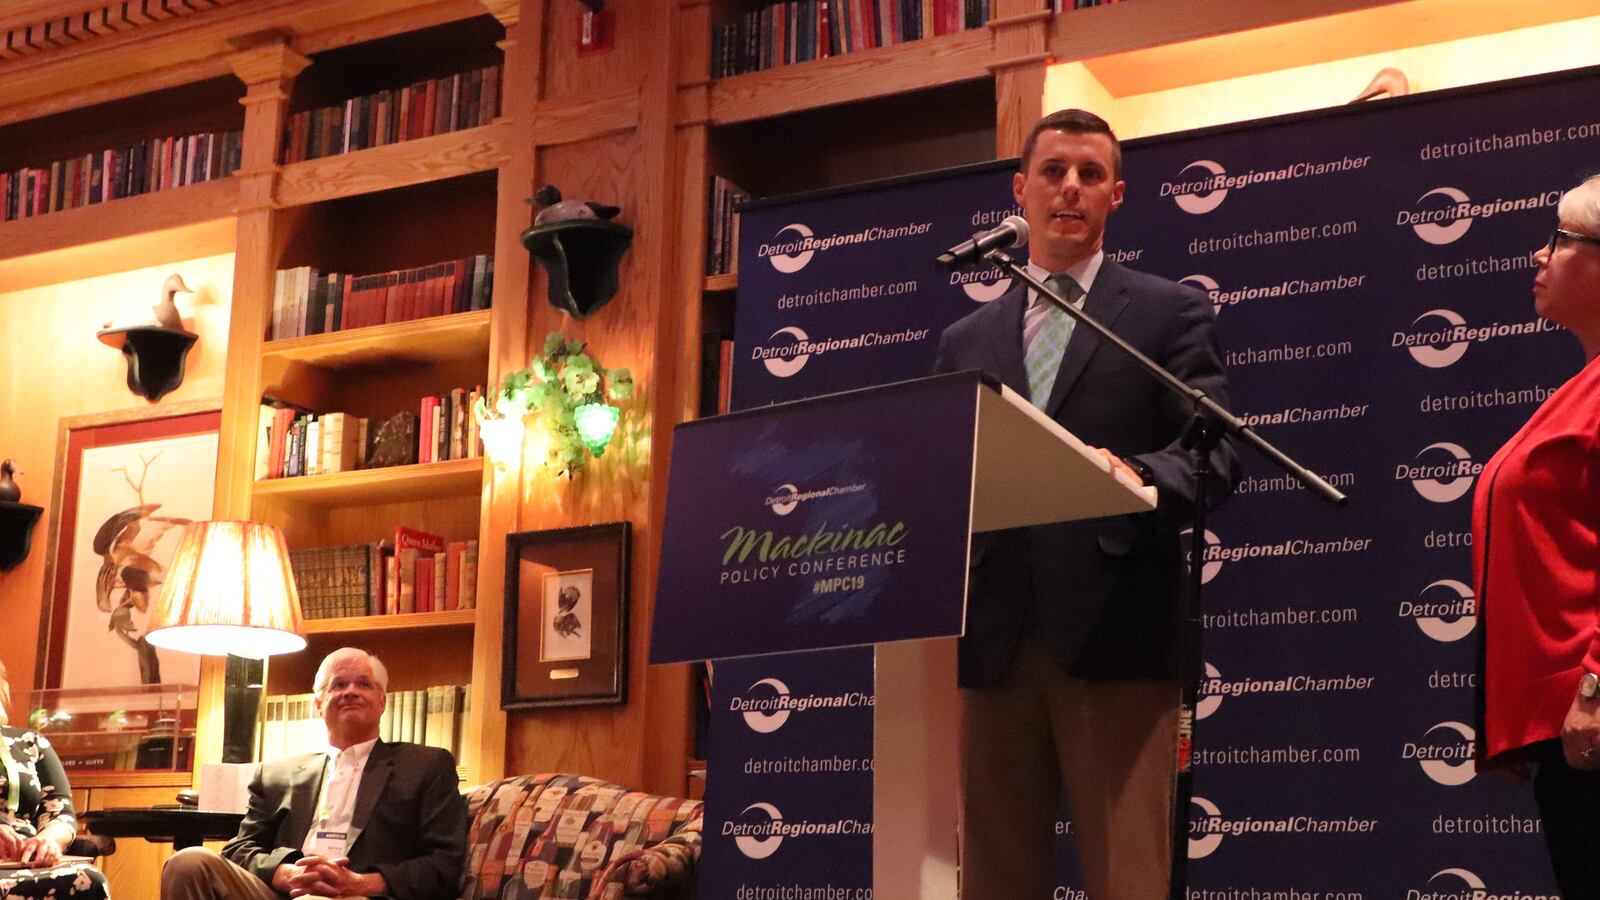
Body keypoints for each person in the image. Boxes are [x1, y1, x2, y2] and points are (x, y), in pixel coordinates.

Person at [934, 108, 1240, 900]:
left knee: (1127, 878)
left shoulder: (1167, 313)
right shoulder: (965, 339)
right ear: (1020, 191)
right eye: (1053, 171)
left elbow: (1214, 454)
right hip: (995, 637)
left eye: (1091, 175)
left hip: (1119, 633)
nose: (1070, 188)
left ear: (1117, 197)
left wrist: (1133, 475)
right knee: (995, 880)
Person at [1475, 173, 1600, 898]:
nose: (1539, 254)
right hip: (1566, 725)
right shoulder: (1579, 388)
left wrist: (1595, 682)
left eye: (1560, 238)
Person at [161, 647, 467, 900]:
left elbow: (444, 862)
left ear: (382, 701)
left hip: (364, 895)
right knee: (188, 862)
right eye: (339, 685)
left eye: (364, 683)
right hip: (282, 893)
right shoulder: (276, 774)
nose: (351, 692)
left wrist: (360, 882)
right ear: (318, 703)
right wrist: (286, 873)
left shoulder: (425, 765)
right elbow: (240, 849)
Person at [0, 660, 110, 899]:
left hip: (26, 863)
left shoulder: (29, 742)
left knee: (88, 880)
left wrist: (47, 841)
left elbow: (61, 813)